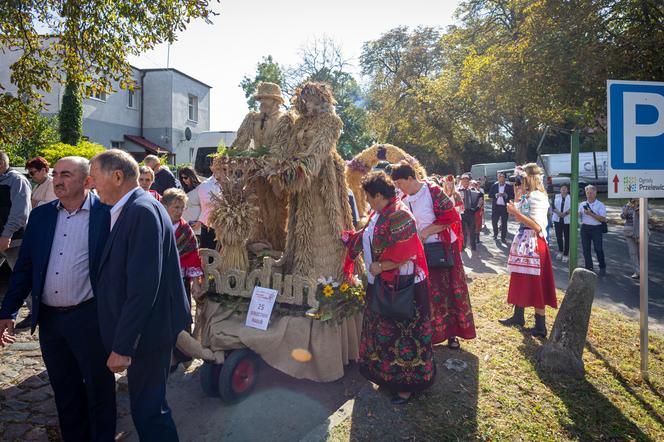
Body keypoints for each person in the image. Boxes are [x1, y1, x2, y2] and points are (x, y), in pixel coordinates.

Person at [0, 156, 117, 441]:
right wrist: (8, 311)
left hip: (89, 318)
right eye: (56, 174)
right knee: (65, 391)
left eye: (66, 174)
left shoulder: (107, 215)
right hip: (51, 321)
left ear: (87, 181)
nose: (58, 180)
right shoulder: (42, 216)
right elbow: (25, 267)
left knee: (99, 390)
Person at [89, 149, 191, 441]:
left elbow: (144, 285)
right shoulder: (140, 205)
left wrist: (123, 345)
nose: (91, 185)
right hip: (150, 330)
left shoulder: (141, 211)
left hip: (149, 334)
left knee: (149, 413)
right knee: (149, 409)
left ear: (117, 176)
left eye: (95, 178)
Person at [342, 171, 435, 404]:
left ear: (377, 195)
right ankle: (387, 378)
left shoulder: (400, 216)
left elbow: (408, 252)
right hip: (383, 285)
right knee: (384, 337)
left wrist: (381, 266)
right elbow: (367, 236)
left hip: (403, 288)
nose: (366, 201)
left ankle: (406, 387)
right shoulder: (380, 213)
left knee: (405, 338)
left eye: (368, 196)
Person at [272, 82, 354, 279]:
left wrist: (305, 168)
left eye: (313, 98)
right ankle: (298, 267)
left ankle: (328, 275)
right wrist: (281, 166)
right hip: (300, 177)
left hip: (321, 175)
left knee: (325, 217)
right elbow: (291, 148)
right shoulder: (300, 123)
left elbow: (320, 148)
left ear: (322, 99)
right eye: (306, 99)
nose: (309, 103)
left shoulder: (330, 121)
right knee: (300, 220)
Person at [391, 162, 476, 349]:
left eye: (399, 182)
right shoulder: (402, 197)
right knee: (423, 293)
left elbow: (451, 217)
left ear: (411, 178)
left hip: (439, 249)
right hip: (417, 253)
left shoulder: (432, 191)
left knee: (446, 291)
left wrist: (425, 232)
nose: (398, 187)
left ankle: (452, 333)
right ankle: (426, 333)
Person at [231, 82, 292, 250]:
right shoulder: (252, 118)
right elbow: (240, 143)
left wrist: (271, 167)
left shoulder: (285, 119)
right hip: (256, 174)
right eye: (261, 98)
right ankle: (256, 249)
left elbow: (281, 148)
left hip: (275, 174)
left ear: (276, 101)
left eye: (266, 98)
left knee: (277, 214)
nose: (262, 102)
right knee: (255, 211)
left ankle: (278, 250)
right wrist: (231, 158)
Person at [500, 163, 557, 337]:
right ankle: (518, 316)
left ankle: (540, 326)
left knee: (536, 283)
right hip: (525, 240)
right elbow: (520, 218)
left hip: (534, 241)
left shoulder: (538, 196)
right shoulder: (528, 195)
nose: (519, 183)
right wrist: (517, 201)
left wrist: (516, 213)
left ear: (530, 178)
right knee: (520, 278)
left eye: (522, 179)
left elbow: (537, 225)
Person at [161, 188, 203, 370]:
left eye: (182, 207)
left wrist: (195, 283)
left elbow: (193, 257)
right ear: (165, 205)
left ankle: (180, 355)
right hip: (158, 281)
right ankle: (163, 353)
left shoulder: (186, 232)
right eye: (175, 207)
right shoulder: (157, 225)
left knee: (180, 317)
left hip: (179, 281)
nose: (179, 211)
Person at [0, 151, 31, 272]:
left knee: (22, 280)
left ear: (1, 163)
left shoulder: (17, 180)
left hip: (14, 240)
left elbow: (20, 213)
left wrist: (6, 235)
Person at [578, 185, 607, 276]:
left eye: (591, 193)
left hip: (596, 228)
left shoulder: (600, 205)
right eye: (588, 193)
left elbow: (603, 219)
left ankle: (602, 266)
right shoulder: (582, 204)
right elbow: (579, 215)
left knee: (598, 249)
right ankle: (589, 267)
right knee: (586, 249)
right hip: (585, 228)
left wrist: (590, 214)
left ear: (595, 193)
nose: (589, 195)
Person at [195, 173, 221, 250]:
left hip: (226, 230)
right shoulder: (205, 185)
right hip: (210, 229)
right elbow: (212, 205)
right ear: (212, 167)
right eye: (220, 169)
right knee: (209, 258)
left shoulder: (230, 183)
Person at [488, 172, 514, 243]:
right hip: (496, 207)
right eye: (500, 177)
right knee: (494, 221)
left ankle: (503, 237)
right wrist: (496, 195)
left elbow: (512, 196)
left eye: (503, 177)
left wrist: (506, 195)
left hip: (504, 207)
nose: (501, 179)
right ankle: (495, 234)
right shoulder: (494, 186)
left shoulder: (509, 186)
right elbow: (490, 195)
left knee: (504, 223)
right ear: (498, 178)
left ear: (505, 178)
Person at [458, 173, 482, 251]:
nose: (465, 182)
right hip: (461, 213)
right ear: (461, 181)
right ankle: (463, 246)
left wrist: (476, 208)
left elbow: (480, 199)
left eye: (467, 181)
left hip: (471, 212)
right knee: (462, 230)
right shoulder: (458, 190)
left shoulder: (473, 190)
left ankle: (473, 246)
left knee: (472, 230)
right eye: (464, 181)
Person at [621, 198, 643, 279]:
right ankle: (637, 272)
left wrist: (639, 210)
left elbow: (647, 216)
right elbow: (622, 216)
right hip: (628, 231)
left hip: (641, 231)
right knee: (633, 253)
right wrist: (627, 206)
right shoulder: (627, 205)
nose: (634, 199)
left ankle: (643, 271)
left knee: (641, 253)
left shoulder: (644, 205)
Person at [178, 166, 202, 235]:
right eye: (182, 178)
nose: (183, 180)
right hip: (183, 227)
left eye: (185, 178)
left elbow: (205, 208)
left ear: (192, 176)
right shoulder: (182, 189)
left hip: (196, 228)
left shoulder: (200, 188)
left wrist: (200, 222)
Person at [552, 184, 571, 262]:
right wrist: (559, 213)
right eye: (562, 188)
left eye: (565, 188)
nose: (563, 189)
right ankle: (560, 251)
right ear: (560, 190)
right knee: (558, 236)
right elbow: (552, 206)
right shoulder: (556, 196)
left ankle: (566, 254)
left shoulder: (571, 197)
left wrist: (565, 213)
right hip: (557, 219)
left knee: (567, 237)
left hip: (567, 220)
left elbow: (573, 206)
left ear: (568, 190)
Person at [471, 180, 485, 244]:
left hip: (477, 211)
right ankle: (473, 238)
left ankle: (477, 238)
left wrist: (481, 210)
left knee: (478, 225)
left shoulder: (480, 193)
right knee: (471, 225)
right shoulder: (468, 193)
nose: (473, 187)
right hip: (470, 211)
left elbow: (481, 202)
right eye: (472, 185)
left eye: (475, 185)